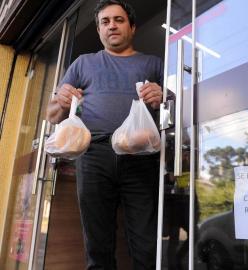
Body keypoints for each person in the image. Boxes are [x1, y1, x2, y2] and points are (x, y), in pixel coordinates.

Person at [46, 1, 164, 269]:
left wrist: (164, 97)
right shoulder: (83, 63)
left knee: (146, 243)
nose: (112, 25)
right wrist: (61, 101)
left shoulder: (153, 63)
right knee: (98, 245)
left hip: (141, 155)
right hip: (93, 156)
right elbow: (52, 116)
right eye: (105, 21)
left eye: (119, 20)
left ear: (132, 27)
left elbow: (175, 109)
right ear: (99, 30)